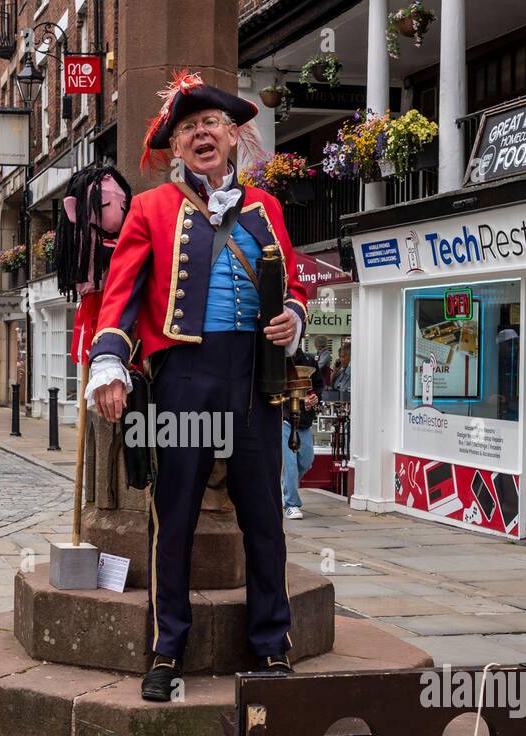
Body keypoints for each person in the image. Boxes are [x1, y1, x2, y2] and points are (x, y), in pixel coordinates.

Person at [87, 70, 309, 702]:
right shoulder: (151, 209)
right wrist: (109, 364)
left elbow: (290, 287)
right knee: (174, 514)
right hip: (184, 378)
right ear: (176, 149)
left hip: (254, 378)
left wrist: (293, 318)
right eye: (188, 129)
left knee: (265, 517)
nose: (201, 135)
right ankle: (166, 648)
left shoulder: (267, 209)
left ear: (233, 138)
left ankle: (271, 646)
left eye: (211, 124)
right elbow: (122, 297)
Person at [282, 347, 323, 520]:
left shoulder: (309, 360)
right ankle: (291, 504)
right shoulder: (278, 359)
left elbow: (318, 385)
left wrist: (316, 398)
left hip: (304, 422)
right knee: (290, 465)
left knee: (306, 461)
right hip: (284, 420)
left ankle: (285, 488)